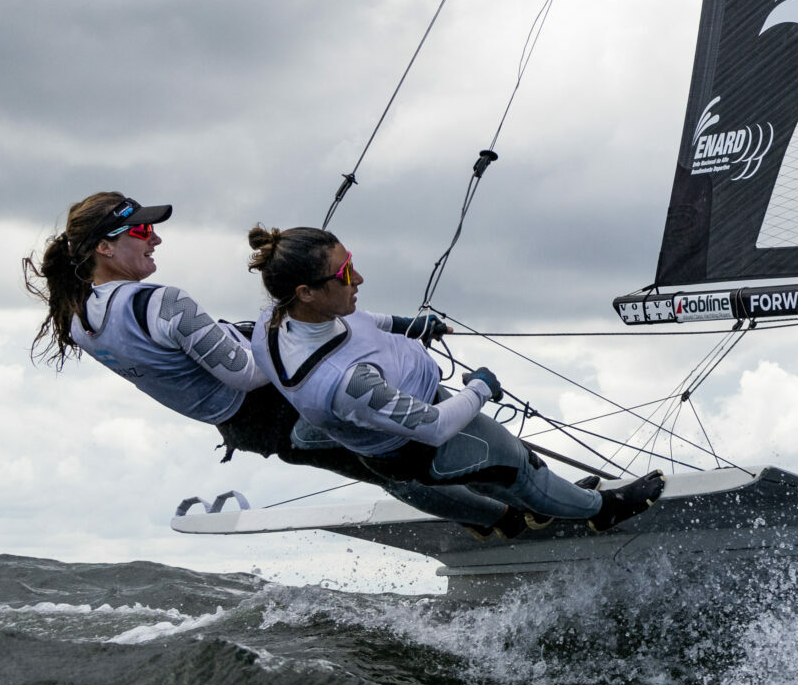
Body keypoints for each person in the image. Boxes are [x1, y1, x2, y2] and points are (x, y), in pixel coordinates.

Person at [245, 224, 665, 538]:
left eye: (351, 264)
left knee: (497, 478)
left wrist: (405, 324)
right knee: (520, 468)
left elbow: (359, 322)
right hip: (424, 442)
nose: (359, 279)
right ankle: (600, 510)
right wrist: (480, 387)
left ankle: (542, 507)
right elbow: (434, 425)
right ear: (306, 292)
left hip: (412, 412)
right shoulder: (345, 382)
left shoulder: (276, 316)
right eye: (345, 275)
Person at [24, 191, 369, 477]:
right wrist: (297, 324)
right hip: (283, 408)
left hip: (249, 431)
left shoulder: (76, 318)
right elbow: (247, 374)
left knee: (391, 469)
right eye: (142, 230)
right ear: (104, 247)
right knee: (406, 454)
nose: (156, 238)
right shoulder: (162, 303)